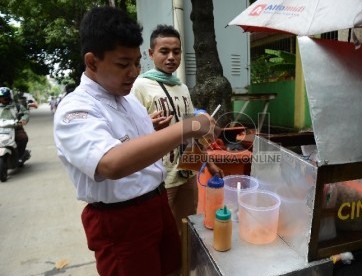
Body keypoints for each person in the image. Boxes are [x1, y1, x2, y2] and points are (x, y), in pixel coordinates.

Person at [53, 7, 218, 276]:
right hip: (121, 220)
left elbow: (137, 145)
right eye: (122, 64)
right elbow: (111, 164)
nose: (133, 72)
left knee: (173, 269)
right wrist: (188, 128)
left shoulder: (128, 99)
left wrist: (156, 133)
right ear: (92, 62)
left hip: (157, 201)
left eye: (136, 63)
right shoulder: (75, 109)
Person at [131, 24, 223, 232]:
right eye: (164, 51)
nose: (171, 57)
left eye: (176, 51)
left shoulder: (182, 87)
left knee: (188, 227)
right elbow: (131, 135)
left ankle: (185, 264)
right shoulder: (140, 87)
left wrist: (208, 163)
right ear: (151, 53)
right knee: (163, 231)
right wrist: (149, 126)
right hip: (161, 178)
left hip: (188, 172)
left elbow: (193, 133)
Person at [0, 87, 30, 162]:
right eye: (1, 97)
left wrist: (23, 120)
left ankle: (20, 155)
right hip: (0, 129)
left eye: (5, 97)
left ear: (9, 97)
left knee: (23, 138)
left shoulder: (17, 106)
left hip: (15, 127)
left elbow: (26, 113)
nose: (3, 99)